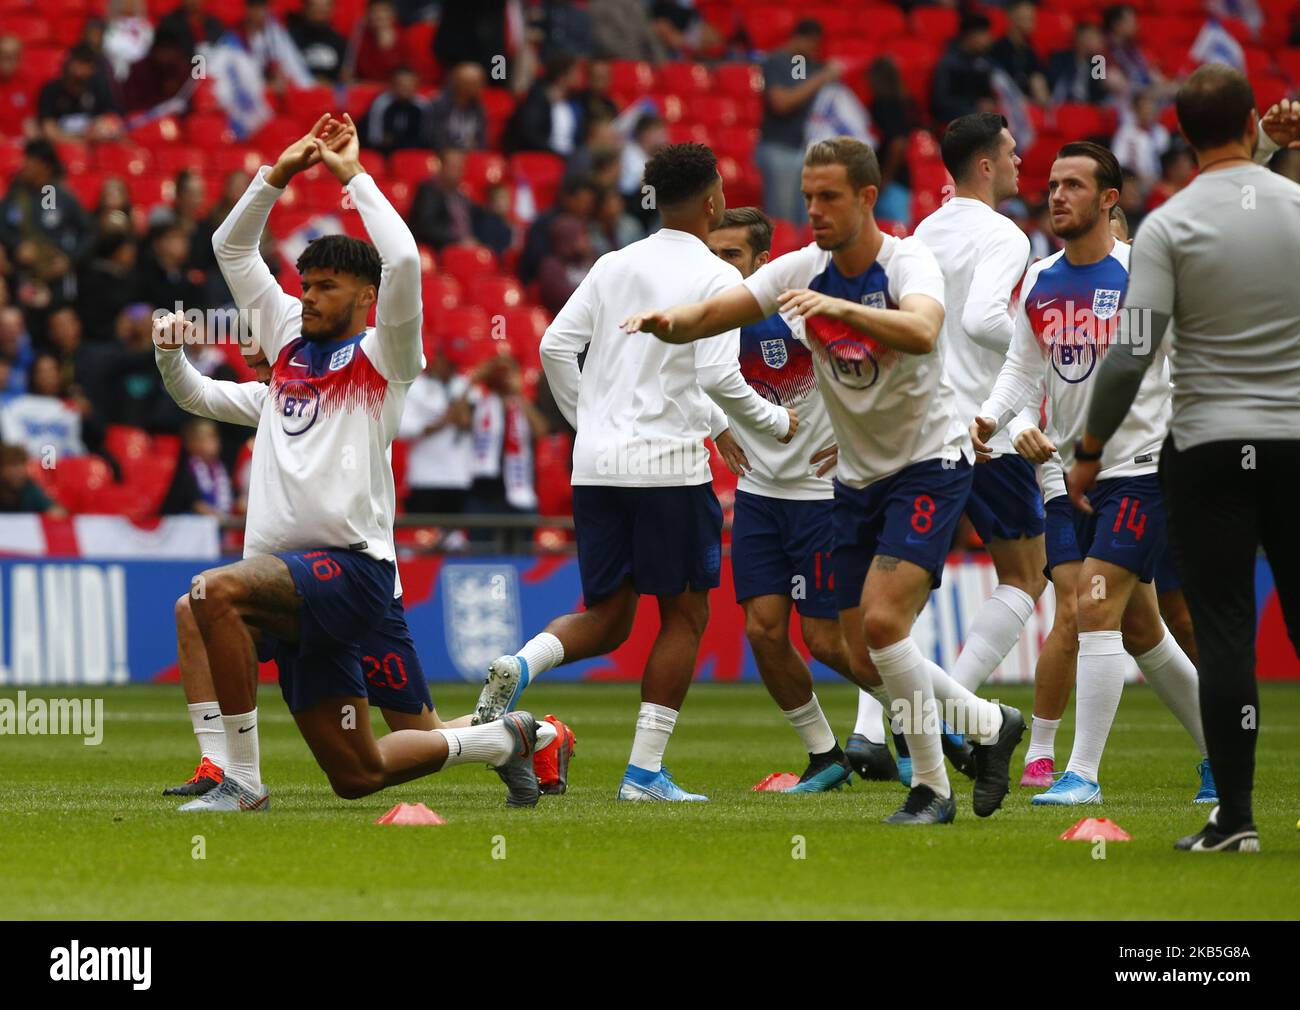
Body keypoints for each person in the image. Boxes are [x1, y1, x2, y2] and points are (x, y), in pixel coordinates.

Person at [623, 137, 1025, 824]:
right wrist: (672, 323)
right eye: (808, 196)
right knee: (847, 640)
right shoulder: (801, 267)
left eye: (829, 196)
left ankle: (931, 785)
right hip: (857, 483)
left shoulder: (907, 260)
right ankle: (987, 726)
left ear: (868, 198)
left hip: (929, 463)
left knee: (879, 622)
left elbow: (925, 330)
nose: (814, 209)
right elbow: (725, 311)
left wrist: (840, 311)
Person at [157, 112, 552, 812]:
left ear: (366, 298)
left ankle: (239, 783)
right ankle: (510, 737)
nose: (308, 297)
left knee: (210, 594)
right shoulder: (283, 343)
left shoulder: (385, 357)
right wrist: (277, 174)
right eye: (306, 285)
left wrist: (351, 176)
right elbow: (231, 247)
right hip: (289, 587)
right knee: (358, 774)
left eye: (327, 286)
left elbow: (401, 260)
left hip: (348, 571)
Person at [477, 143, 796, 802]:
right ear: (712, 202)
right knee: (683, 616)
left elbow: (554, 347)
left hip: (597, 466)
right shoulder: (716, 277)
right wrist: (774, 424)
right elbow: (715, 375)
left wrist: (588, 418)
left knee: (608, 615)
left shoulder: (611, 265)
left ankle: (520, 662)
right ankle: (644, 773)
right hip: (669, 469)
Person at [1070, 72, 1300, 852]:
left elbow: (1131, 355)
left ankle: (1235, 818)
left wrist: (1090, 449)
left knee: (1226, 629)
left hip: (1206, 451)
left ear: (1180, 132)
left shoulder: (1168, 227)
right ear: (1248, 121)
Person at [973, 141, 1212, 806]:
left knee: (1094, 604)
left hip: (1141, 468)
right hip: (1076, 478)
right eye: (1051, 184)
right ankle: (1223, 750)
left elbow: (1189, 361)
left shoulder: (1146, 275)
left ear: (1111, 199)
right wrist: (994, 419)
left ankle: (1080, 775)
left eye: (1074, 185)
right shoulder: (1042, 280)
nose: (1056, 196)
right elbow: (1023, 370)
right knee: (1140, 629)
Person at [706, 206, 896, 790]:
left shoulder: (796, 314)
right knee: (763, 631)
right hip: (760, 496)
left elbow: (879, 369)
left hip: (821, 497)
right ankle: (825, 754)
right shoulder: (714, 322)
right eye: (712, 256)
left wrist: (854, 439)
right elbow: (685, 376)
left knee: (829, 643)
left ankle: (923, 726)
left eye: (732, 256)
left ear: (763, 262)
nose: (720, 268)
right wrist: (716, 425)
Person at [912, 114, 1044, 730]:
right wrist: (1040, 346)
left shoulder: (922, 232)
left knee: (903, 584)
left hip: (928, 424)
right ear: (986, 164)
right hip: (989, 425)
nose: (1021, 162)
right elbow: (983, 321)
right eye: (1012, 153)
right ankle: (956, 705)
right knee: (1026, 573)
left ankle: (871, 731)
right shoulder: (1007, 235)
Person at [756, 19, 840, 226]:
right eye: (813, 44)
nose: (815, 50)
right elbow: (781, 103)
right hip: (780, 148)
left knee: (808, 220)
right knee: (782, 220)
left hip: (807, 151)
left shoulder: (808, 64)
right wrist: (821, 78)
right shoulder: (776, 62)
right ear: (803, 39)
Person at [0, 443, 64, 516]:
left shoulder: (29, 487)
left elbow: (55, 511)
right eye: (11, 466)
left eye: (19, 465)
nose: (16, 471)